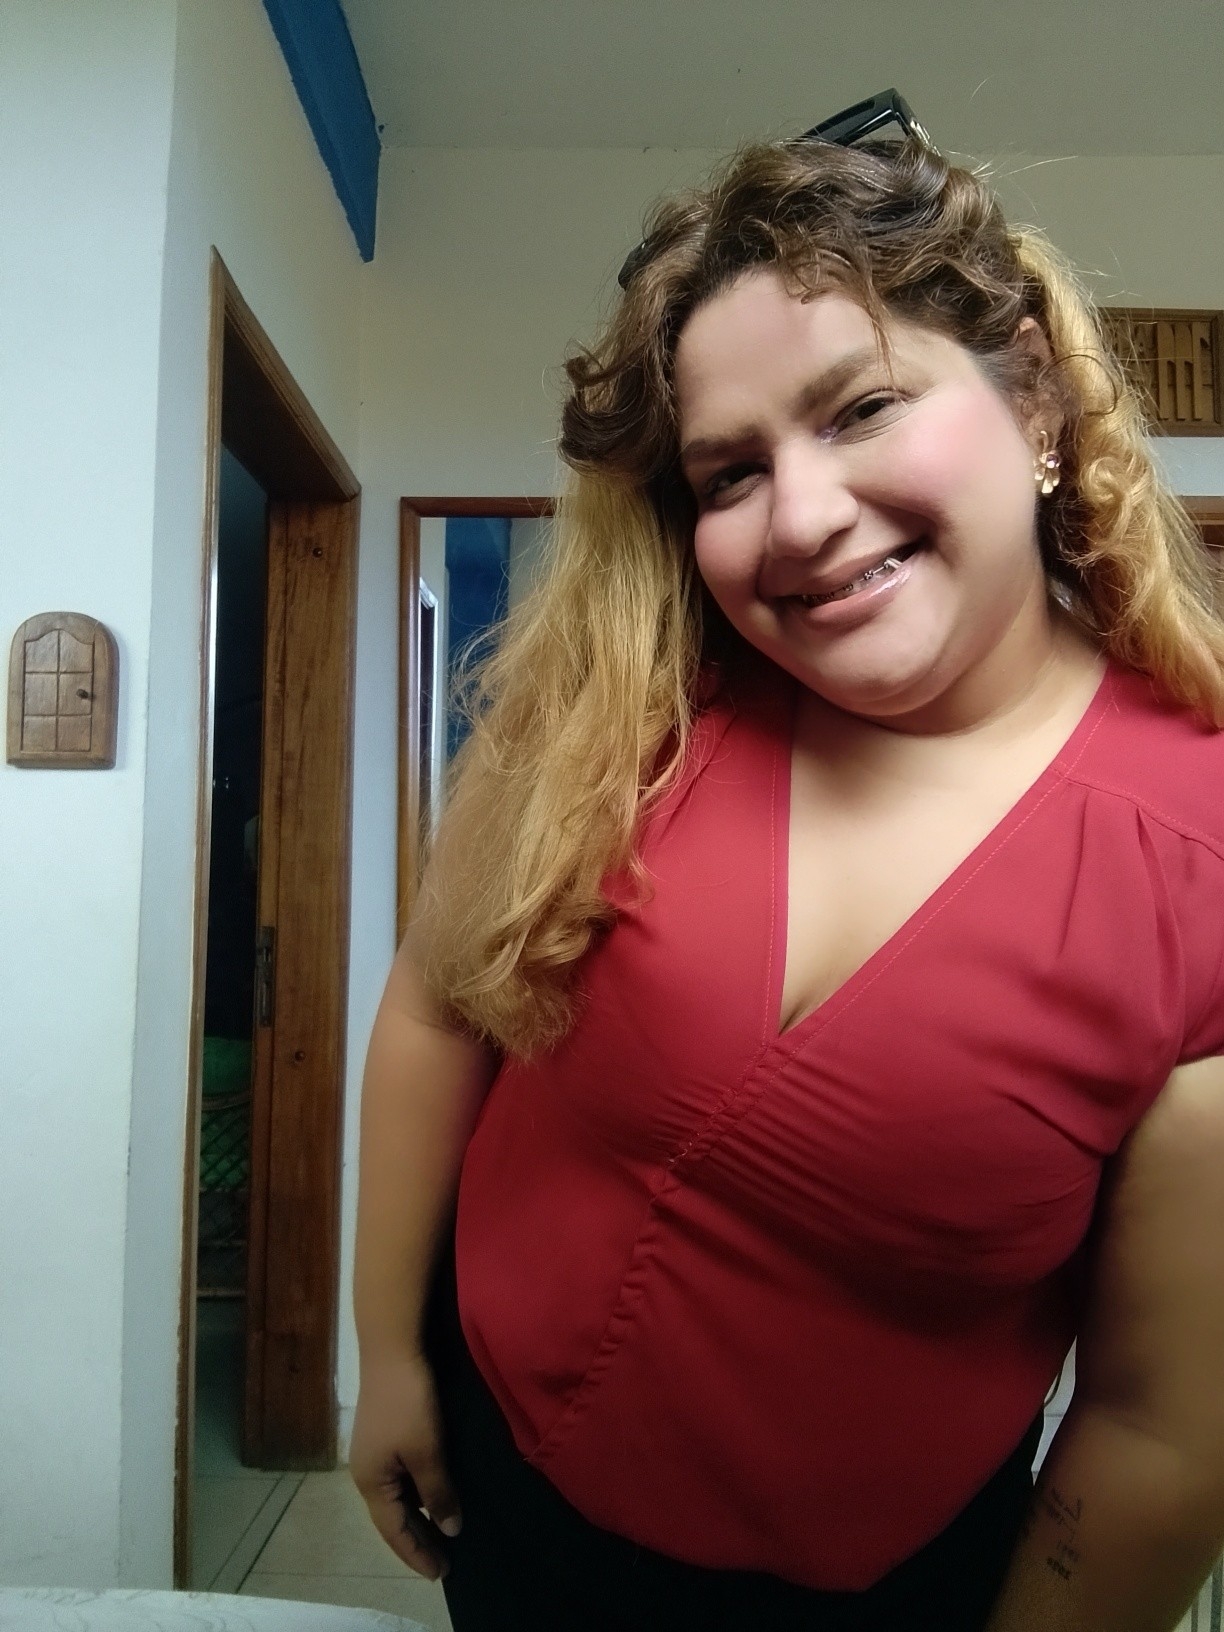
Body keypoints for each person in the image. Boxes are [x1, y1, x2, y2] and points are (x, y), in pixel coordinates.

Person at [351, 93, 1224, 1632]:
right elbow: (435, 1006)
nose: (801, 518)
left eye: (862, 408)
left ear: (1032, 401)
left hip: (870, 1592)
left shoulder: (1200, 864)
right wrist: (389, 1357)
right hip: (500, 1479)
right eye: (729, 474)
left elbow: (1161, 1432)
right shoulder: (618, 712)